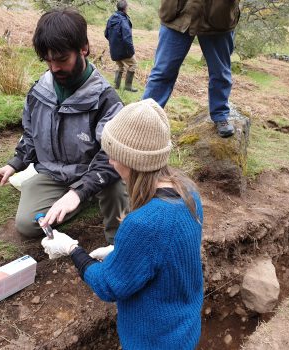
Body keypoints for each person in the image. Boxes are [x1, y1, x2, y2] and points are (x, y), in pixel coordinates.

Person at [41, 99, 204, 349]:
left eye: (113, 155)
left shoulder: (143, 223)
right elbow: (166, 255)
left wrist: (71, 249)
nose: (110, 162)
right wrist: (122, 252)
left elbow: (108, 285)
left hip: (152, 341)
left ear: (130, 160)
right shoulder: (189, 193)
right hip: (184, 329)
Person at [0, 9, 128, 244]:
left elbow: (112, 155)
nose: (54, 68)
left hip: (94, 173)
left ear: (84, 48)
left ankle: (117, 242)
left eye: (62, 59)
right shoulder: (39, 92)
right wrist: (15, 163)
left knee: (115, 182)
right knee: (27, 224)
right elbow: (31, 134)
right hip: (54, 174)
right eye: (48, 60)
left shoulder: (105, 100)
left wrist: (79, 190)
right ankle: (79, 199)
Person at [143, 0, 241, 138]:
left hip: (219, 16)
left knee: (221, 73)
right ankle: (144, 115)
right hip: (178, 13)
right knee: (162, 72)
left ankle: (220, 115)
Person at [105, 0, 138, 92]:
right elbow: (127, 38)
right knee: (133, 64)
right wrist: (131, 51)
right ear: (125, 8)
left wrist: (114, 43)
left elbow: (106, 34)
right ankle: (128, 86)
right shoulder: (123, 20)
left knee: (120, 66)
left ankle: (116, 85)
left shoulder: (111, 18)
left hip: (114, 50)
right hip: (124, 50)